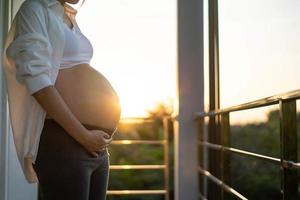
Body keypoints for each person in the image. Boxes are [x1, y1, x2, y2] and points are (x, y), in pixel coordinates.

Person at [2, 0, 122, 199]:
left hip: (94, 145)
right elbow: (37, 81)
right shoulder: (34, 9)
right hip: (66, 139)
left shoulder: (65, 15)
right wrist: (83, 136)